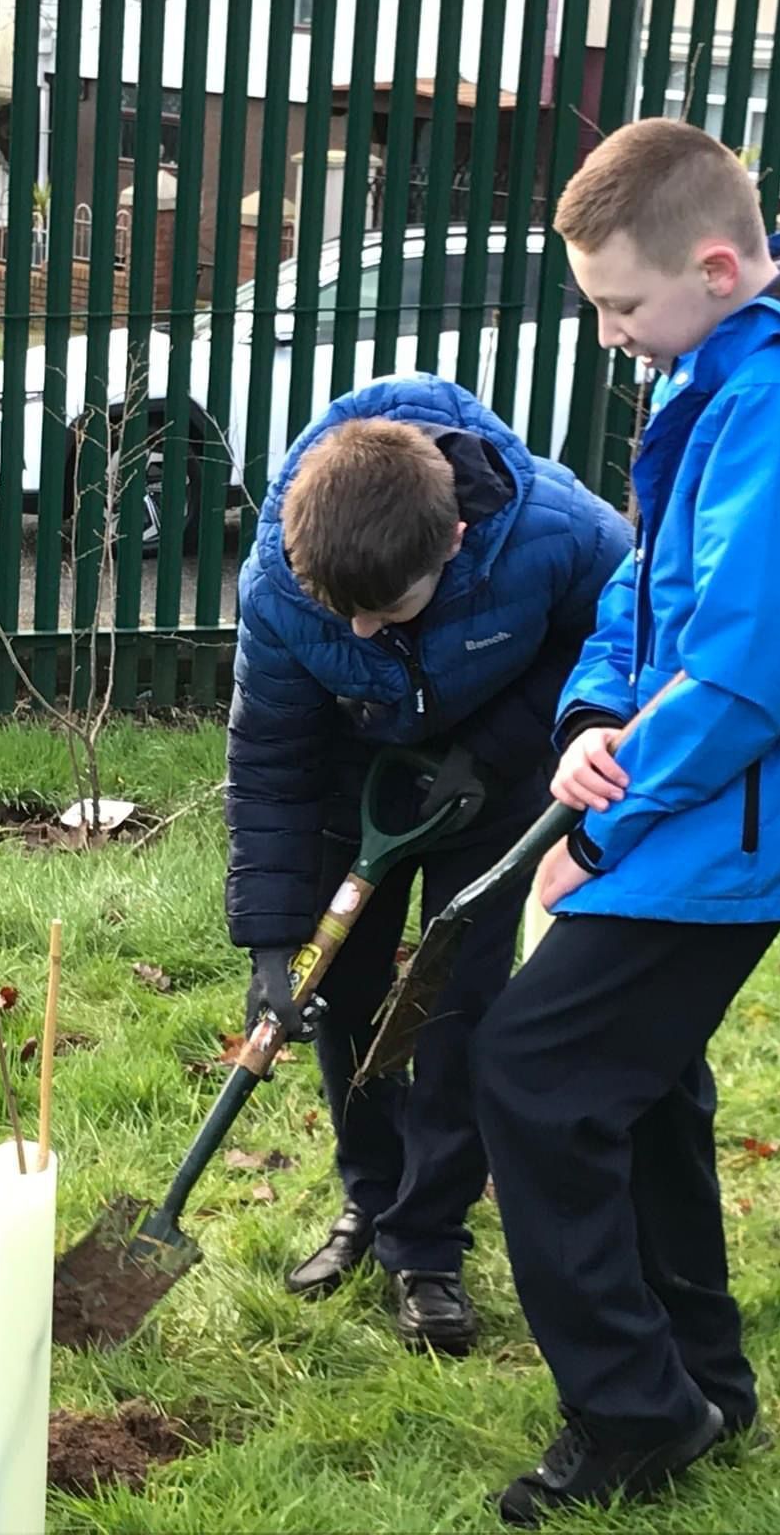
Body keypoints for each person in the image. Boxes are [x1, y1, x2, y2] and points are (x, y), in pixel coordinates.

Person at [476, 118, 780, 1523]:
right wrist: (586, 721)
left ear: (720, 265)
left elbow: (743, 669)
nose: (611, 331)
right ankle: (699, 1383)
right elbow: (648, 584)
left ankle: (631, 1414)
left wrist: (615, 803)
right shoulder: (718, 362)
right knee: (639, 1076)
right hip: (700, 783)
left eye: (621, 304)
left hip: (741, 804)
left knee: (536, 1076)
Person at [225, 374, 631, 1355]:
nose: (361, 633)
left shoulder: (563, 534)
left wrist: (493, 749)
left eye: (387, 612)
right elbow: (270, 764)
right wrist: (274, 946)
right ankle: (370, 1198)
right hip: (350, 782)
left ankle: (428, 1239)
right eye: (343, 615)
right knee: (344, 994)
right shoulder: (282, 585)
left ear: (451, 543)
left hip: (490, 785)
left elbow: (609, 639)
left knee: (453, 1005)